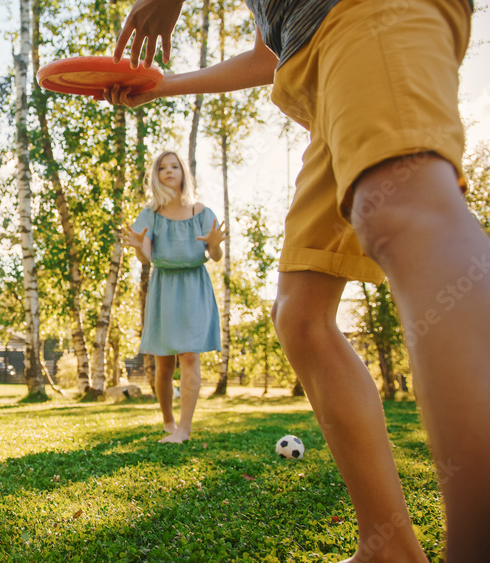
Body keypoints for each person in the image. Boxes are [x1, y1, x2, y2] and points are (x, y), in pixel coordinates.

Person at [105, 1, 489, 561]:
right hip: (318, 72)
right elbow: (270, 50)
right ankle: (388, 551)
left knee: (404, 213)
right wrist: (162, 86)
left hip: (370, 16)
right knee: (301, 316)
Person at [122, 150, 227, 444]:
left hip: (194, 285)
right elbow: (146, 260)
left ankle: (184, 428)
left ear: (183, 173)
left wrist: (216, 245)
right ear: (156, 176)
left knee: (190, 355)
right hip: (164, 286)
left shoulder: (202, 213)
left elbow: (215, 256)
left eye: (174, 166)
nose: (168, 171)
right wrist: (137, 246)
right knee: (165, 363)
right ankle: (168, 421)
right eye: (162, 168)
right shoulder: (150, 215)